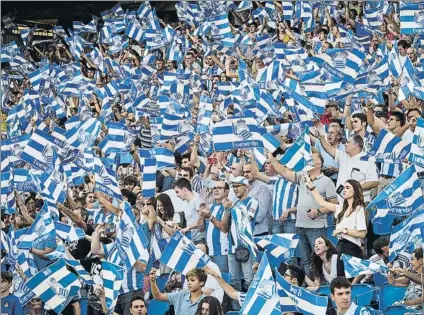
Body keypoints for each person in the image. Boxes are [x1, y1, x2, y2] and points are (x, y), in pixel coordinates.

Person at [267, 151, 337, 278]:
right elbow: (284, 172)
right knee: (306, 259)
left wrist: (318, 211)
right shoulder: (303, 177)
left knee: (320, 258)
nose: (308, 160)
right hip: (300, 225)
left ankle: (322, 283)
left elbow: (334, 204)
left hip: (316, 227)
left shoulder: (327, 182)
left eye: (312, 158)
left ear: (319, 163)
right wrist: (272, 160)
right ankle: (311, 283)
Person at [305, 179, 367, 277]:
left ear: (355, 190)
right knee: (341, 279)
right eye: (344, 188)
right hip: (340, 246)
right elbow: (322, 202)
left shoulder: (359, 209)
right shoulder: (341, 208)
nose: (344, 190)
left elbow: (362, 233)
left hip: (353, 247)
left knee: (349, 280)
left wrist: (343, 230)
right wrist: (312, 188)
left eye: (348, 187)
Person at [197, 180, 230, 273]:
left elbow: (224, 228)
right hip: (209, 251)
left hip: (222, 251)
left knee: (222, 279)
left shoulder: (228, 206)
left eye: (219, 188)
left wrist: (210, 217)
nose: (216, 190)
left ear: (226, 191)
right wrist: (201, 215)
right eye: (214, 188)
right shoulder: (210, 206)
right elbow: (200, 229)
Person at [174, 177, 206, 243]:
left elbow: (203, 221)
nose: (176, 195)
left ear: (184, 190)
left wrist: (188, 228)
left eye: (177, 192)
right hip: (192, 240)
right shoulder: (188, 203)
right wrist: (182, 229)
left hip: (200, 241)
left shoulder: (197, 200)